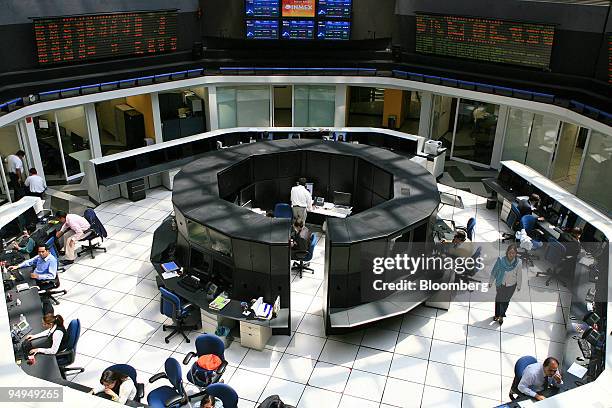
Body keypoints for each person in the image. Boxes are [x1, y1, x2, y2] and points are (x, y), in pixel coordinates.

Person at [489, 244, 523, 325]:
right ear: (507, 252)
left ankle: (501, 316)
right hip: (501, 284)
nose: (511, 255)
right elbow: (495, 271)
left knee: (506, 301)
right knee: (498, 300)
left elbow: (519, 275)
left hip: (511, 286)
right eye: (510, 253)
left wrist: (519, 285)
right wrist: (491, 282)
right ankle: (497, 315)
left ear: (516, 254)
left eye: (513, 253)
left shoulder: (519, 262)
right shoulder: (500, 260)